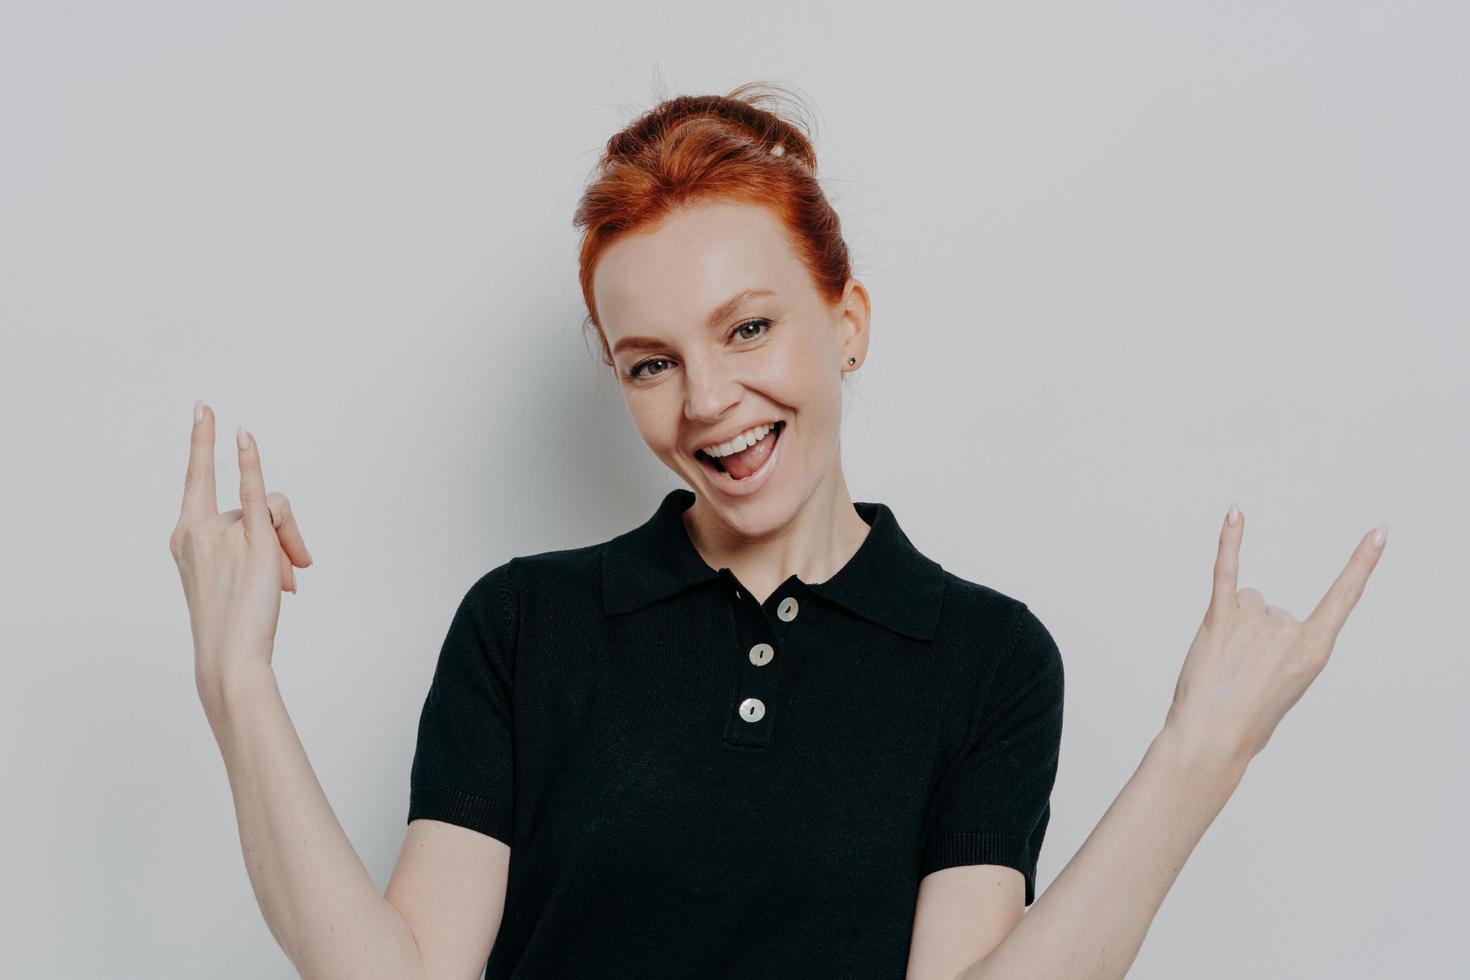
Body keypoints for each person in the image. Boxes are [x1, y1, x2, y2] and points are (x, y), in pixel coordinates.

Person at [171, 82, 1387, 980]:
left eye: (748, 329)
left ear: (844, 320)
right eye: (652, 362)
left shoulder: (986, 657)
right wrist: (238, 684)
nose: (707, 400)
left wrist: (1201, 752)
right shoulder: (524, 624)